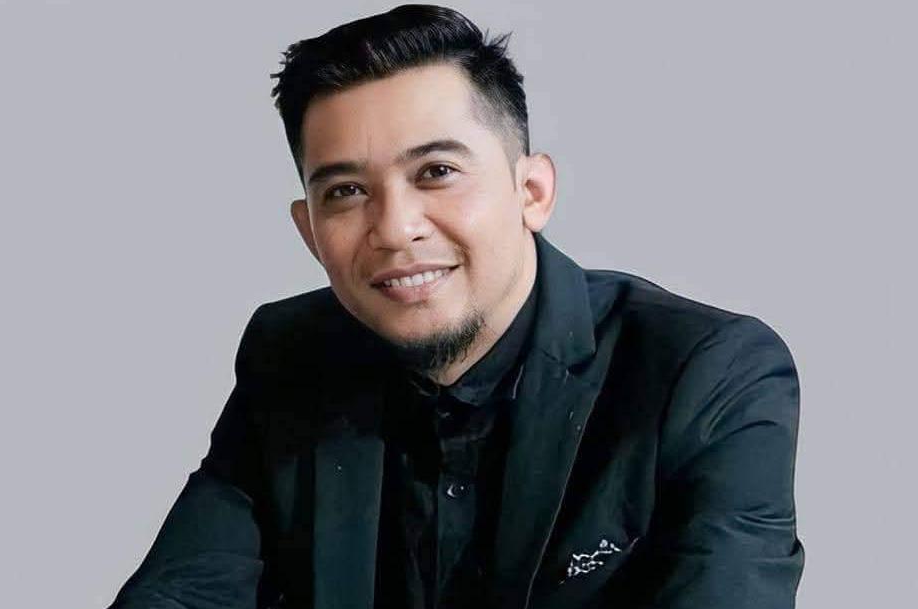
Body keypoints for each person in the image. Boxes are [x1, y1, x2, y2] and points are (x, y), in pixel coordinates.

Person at [107, 4, 803, 608]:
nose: (394, 228)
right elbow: (185, 588)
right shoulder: (289, 352)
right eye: (346, 192)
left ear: (531, 193)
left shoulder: (707, 373)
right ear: (309, 231)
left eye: (436, 172)